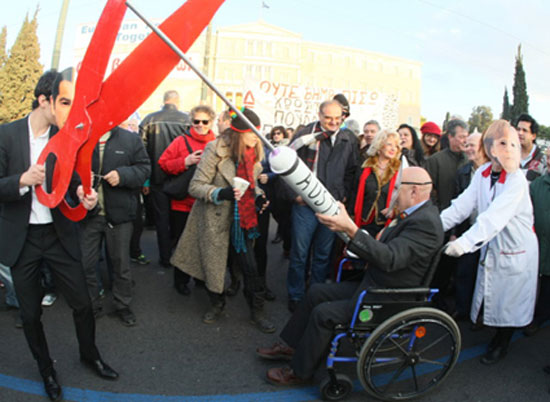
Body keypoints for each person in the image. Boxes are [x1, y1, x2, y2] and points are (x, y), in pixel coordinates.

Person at [257, 167, 443, 385]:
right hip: (375, 283)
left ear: (413, 191)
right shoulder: (414, 215)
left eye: (397, 188)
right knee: (316, 292)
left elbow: (390, 258)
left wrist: (352, 231)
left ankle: (299, 371)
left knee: (323, 313)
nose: (393, 194)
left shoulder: (426, 223)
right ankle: (293, 346)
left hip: (389, 297)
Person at [0, 69, 118, 401]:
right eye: (64, 103)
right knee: (30, 313)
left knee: (83, 303)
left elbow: (73, 184)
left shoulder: (68, 138)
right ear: (44, 100)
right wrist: (23, 180)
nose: (69, 112)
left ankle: (89, 354)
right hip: (21, 241)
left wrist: (85, 196)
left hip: (57, 235)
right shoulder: (5, 136)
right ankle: (46, 370)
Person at [441, 120, 538, 365]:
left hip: (516, 248)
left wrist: (462, 244)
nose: (507, 149)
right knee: (496, 294)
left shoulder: (516, 181)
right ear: (490, 146)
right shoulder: (483, 175)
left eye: (511, 144)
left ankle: (502, 343)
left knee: (510, 301)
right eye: (501, 143)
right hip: (493, 245)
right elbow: (461, 206)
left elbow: (493, 219)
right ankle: (497, 334)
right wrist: (433, 227)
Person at [170, 108, 274, 333]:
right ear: (238, 132)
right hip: (214, 218)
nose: (256, 136)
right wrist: (221, 193)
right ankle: (217, 305)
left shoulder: (254, 153)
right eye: (251, 132)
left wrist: (259, 199)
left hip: (243, 220)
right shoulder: (214, 149)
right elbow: (195, 186)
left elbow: (251, 187)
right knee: (213, 266)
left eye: (258, 131)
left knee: (250, 268)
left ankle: (257, 312)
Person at [285, 100, 359, 312]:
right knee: (299, 254)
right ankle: (296, 295)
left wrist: (343, 195)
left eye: (338, 118)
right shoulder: (304, 136)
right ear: (319, 115)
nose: (333, 122)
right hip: (304, 205)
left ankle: (315, 294)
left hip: (332, 205)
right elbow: (286, 167)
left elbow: (352, 170)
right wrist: (294, 196)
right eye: (329, 118)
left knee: (323, 254)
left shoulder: (348, 138)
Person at [79, 124, 150, 325]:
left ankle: (123, 306)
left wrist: (123, 175)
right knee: (85, 263)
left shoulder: (130, 139)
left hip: (119, 214)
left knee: (121, 264)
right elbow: (67, 171)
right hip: (89, 214)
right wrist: (81, 182)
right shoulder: (82, 137)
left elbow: (145, 168)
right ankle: (92, 304)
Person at [158, 105, 217, 296]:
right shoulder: (180, 141)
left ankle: (200, 277)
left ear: (211, 122)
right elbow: (163, 163)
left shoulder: (217, 143)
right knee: (183, 244)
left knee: (205, 242)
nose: (200, 125)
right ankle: (180, 280)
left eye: (204, 122)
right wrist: (186, 161)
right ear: (191, 121)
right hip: (182, 203)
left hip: (207, 202)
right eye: (196, 121)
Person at [140, 90, 190, 268]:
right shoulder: (186, 120)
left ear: (164, 101)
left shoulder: (149, 120)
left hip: (157, 178)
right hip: (180, 178)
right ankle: (177, 252)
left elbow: (142, 153)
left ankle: (165, 257)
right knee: (180, 217)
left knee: (162, 219)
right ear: (177, 101)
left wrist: (145, 181)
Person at [451, 130, 488, 319]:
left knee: (485, 276)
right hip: (467, 230)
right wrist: (454, 233)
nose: (468, 149)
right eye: (466, 145)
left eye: (472, 145)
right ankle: (463, 309)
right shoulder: (463, 173)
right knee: (464, 272)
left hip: (488, 234)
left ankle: (481, 313)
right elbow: (458, 204)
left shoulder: (494, 172)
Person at [351, 129, 401, 237]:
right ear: (380, 145)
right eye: (389, 144)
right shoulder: (365, 167)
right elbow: (354, 192)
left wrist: (394, 210)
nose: (393, 148)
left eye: (396, 146)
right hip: (364, 221)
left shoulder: (400, 170)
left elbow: (404, 196)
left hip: (386, 224)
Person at [524, 147, 550, 336]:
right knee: (535, 282)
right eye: (549, 157)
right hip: (537, 244)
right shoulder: (537, 185)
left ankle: (541, 316)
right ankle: (532, 316)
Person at [515, 113, 546, 182]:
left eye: (524, 130)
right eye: (518, 129)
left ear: (533, 136)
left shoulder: (542, 159)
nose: (520, 133)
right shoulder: (510, 155)